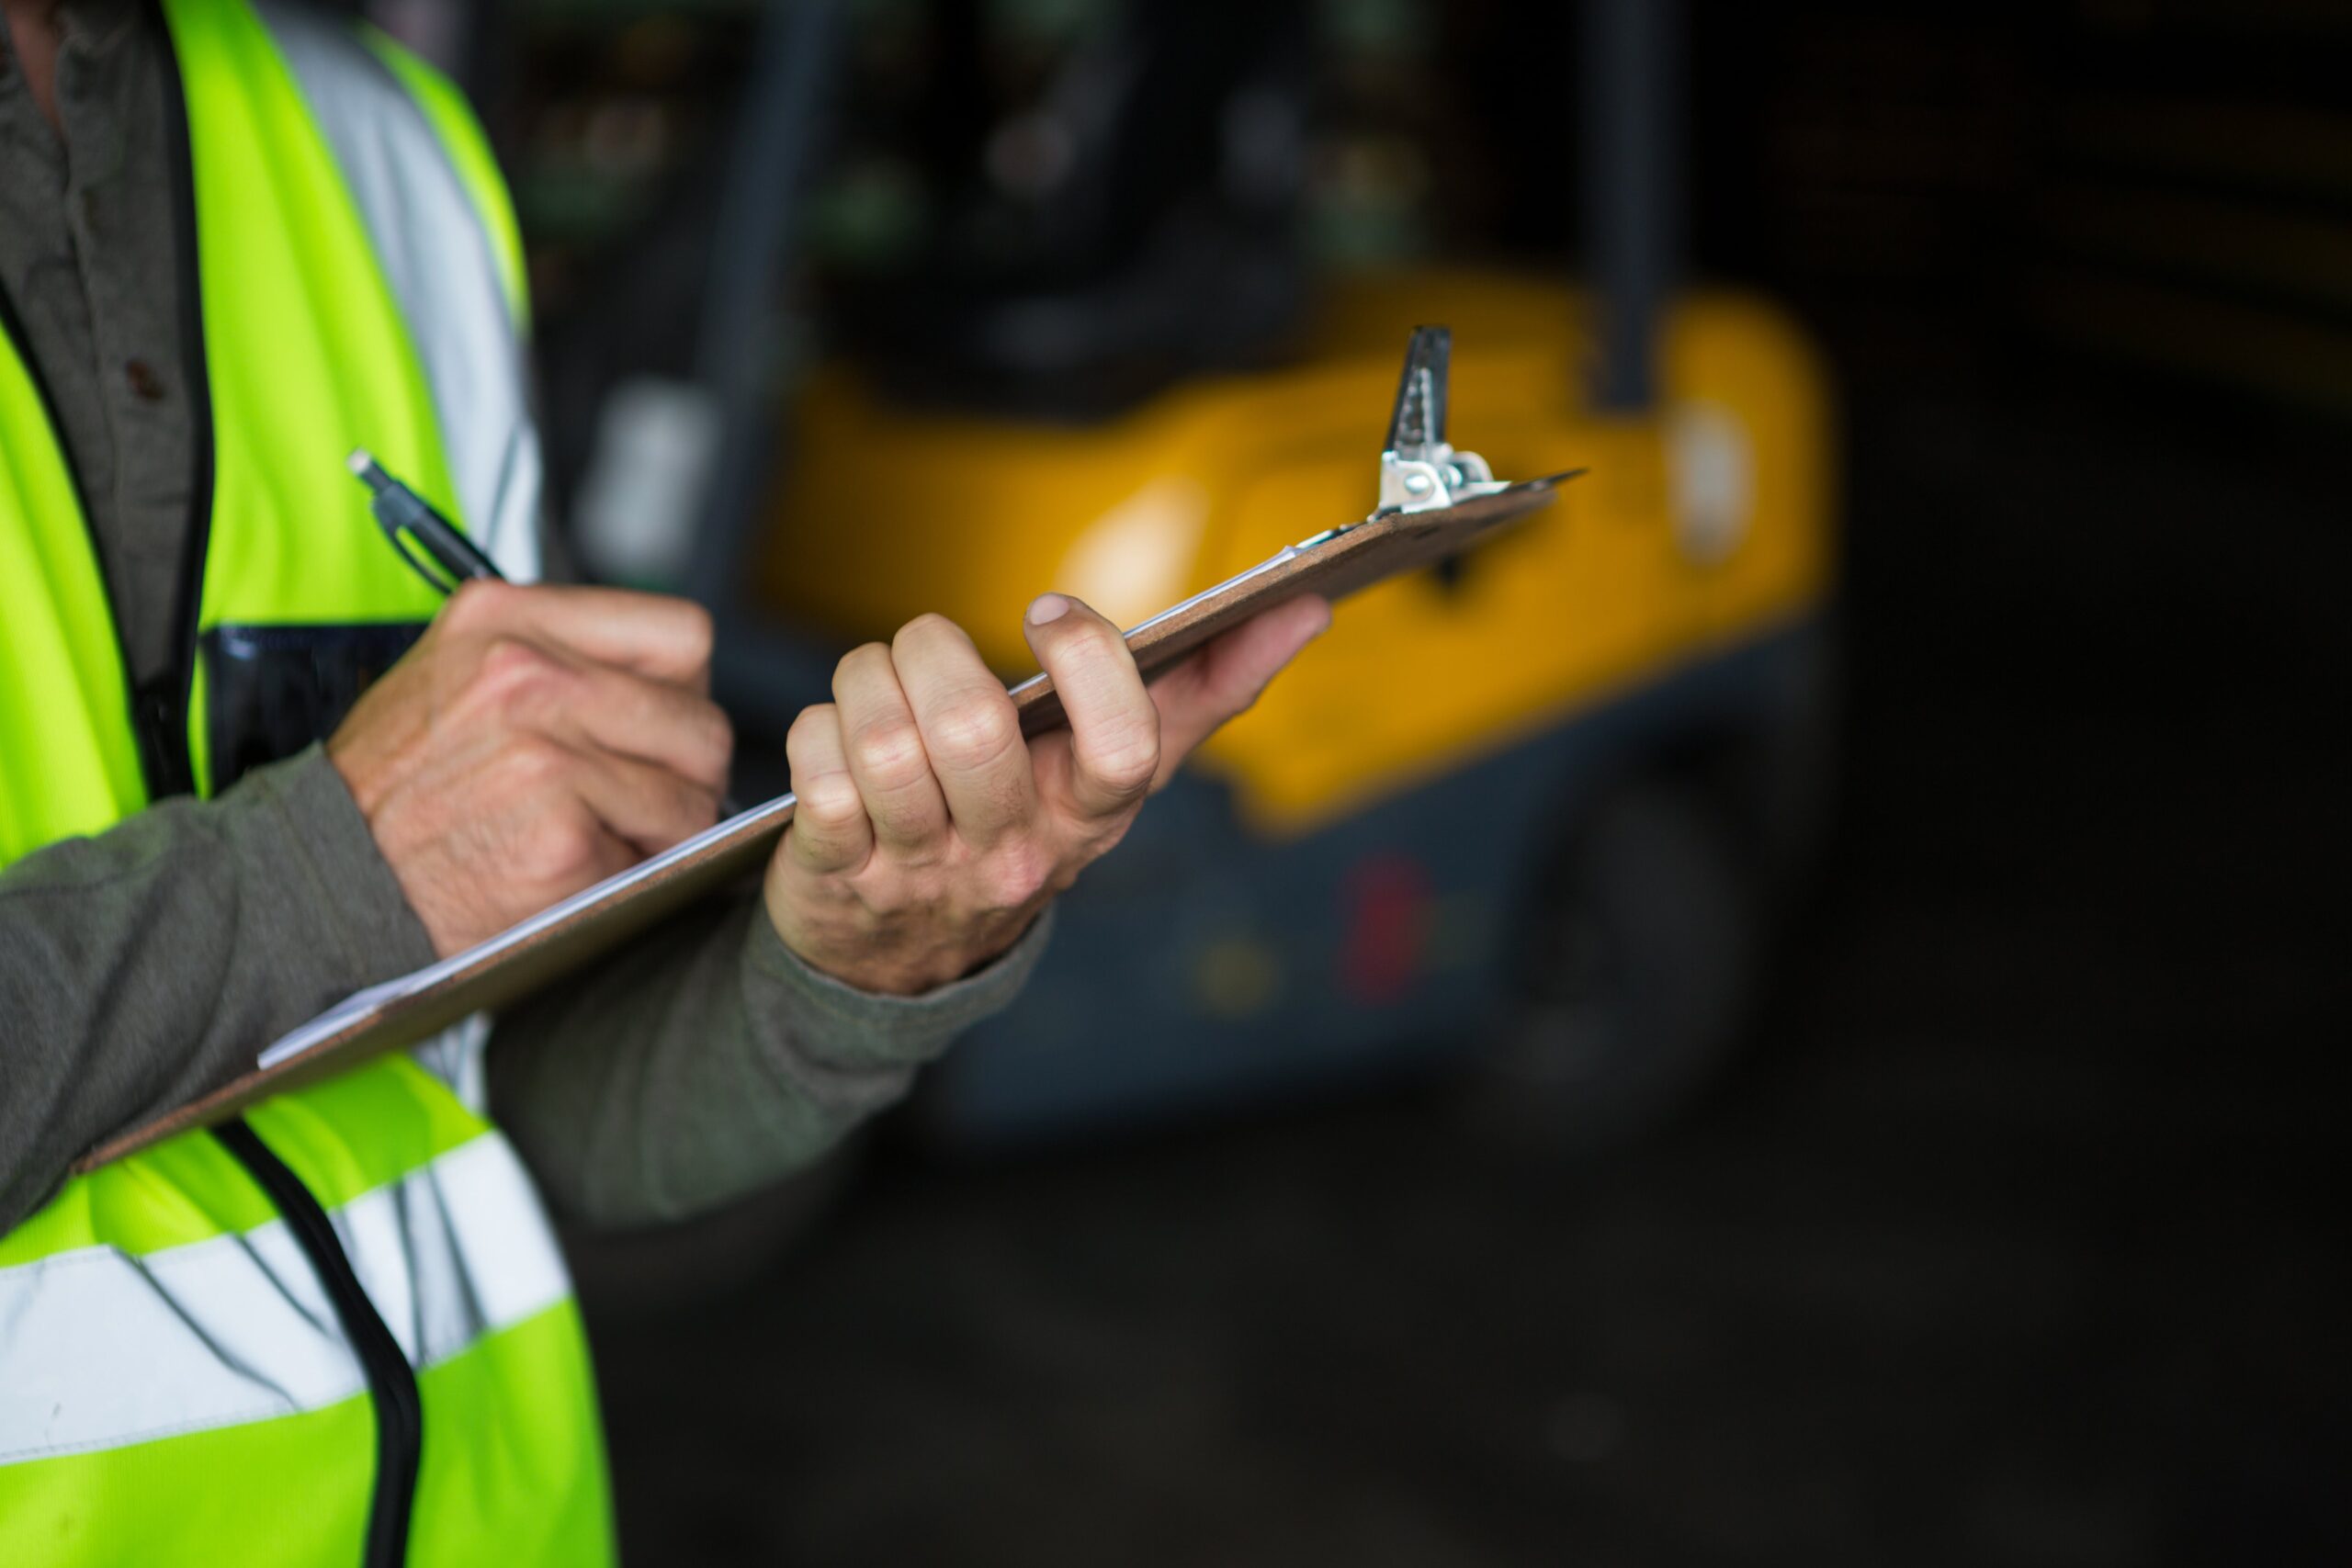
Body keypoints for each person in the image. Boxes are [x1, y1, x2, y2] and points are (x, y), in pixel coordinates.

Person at [0, 3, 1329, 1562]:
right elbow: (351, 885)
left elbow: (530, 1104)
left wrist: (862, 961)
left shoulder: (372, 146)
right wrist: (327, 868)